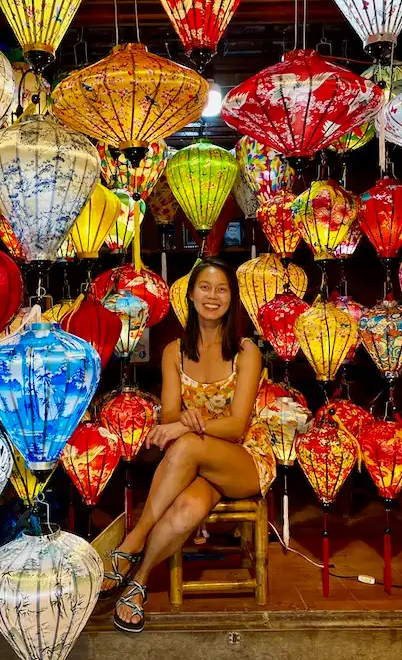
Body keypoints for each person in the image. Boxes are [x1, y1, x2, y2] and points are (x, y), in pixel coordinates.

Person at [102, 258, 276, 633]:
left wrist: (188, 424)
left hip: (244, 460)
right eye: (204, 287)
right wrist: (181, 422)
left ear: (233, 298)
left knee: (185, 447)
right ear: (190, 294)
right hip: (198, 460)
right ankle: (138, 582)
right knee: (185, 510)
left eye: (222, 289)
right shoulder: (173, 353)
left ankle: (132, 540)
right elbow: (167, 419)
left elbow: (236, 426)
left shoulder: (247, 351)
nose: (212, 296)